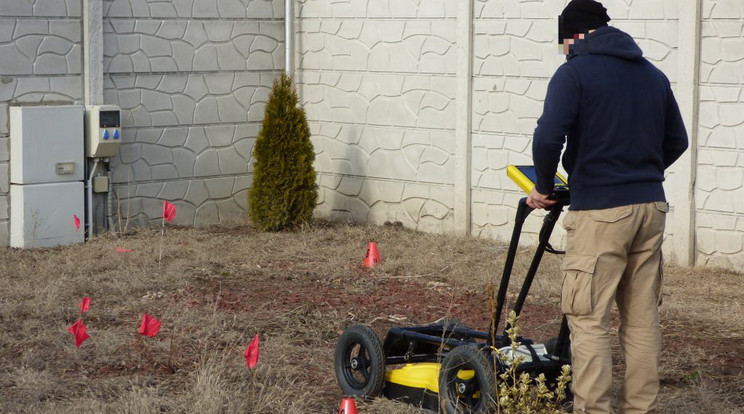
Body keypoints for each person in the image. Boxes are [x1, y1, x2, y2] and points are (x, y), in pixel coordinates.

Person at [526, 1, 689, 413]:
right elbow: (677, 142)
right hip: (650, 207)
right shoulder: (653, 75)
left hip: (600, 212)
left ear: (574, 36)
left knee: (588, 317)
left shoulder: (574, 73)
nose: (563, 49)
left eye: (564, 42)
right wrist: (639, 173)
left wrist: (544, 187)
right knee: (641, 317)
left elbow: (548, 139)